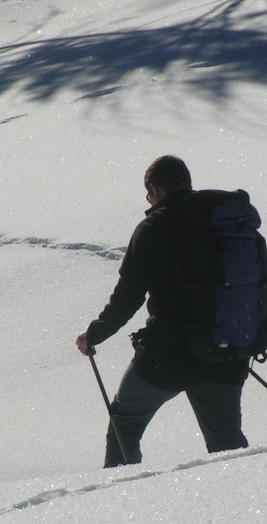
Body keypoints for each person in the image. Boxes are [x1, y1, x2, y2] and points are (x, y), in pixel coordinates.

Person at [76, 156, 250, 467]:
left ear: (155, 190)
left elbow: (128, 297)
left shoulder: (154, 226)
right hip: (226, 349)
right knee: (227, 444)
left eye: (148, 195)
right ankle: (249, 492)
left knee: (125, 424)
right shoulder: (224, 221)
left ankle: (122, 492)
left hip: (169, 355)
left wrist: (94, 334)